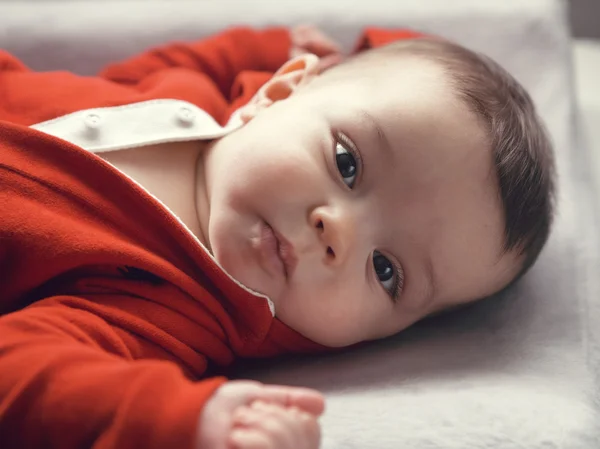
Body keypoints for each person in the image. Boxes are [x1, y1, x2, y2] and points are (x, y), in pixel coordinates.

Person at [0, 24, 555, 449]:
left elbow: (27, 374)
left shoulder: (168, 313)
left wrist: (190, 421)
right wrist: (326, 45)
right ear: (282, 90)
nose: (339, 231)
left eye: (387, 271)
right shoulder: (186, 90)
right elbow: (234, 57)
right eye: (347, 163)